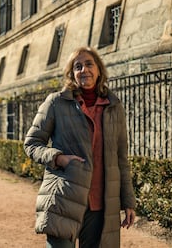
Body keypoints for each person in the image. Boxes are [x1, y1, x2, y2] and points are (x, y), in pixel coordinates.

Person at [24, 46, 136, 248]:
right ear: (72, 74)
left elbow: (121, 159)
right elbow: (32, 143)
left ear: (99, 69)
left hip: (100, 205)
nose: (84, 69)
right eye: (78, 66)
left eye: (89, 64)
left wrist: (128, 202)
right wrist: (59, 158)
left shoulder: (114, 106)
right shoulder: (56, 103)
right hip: (63, 198)